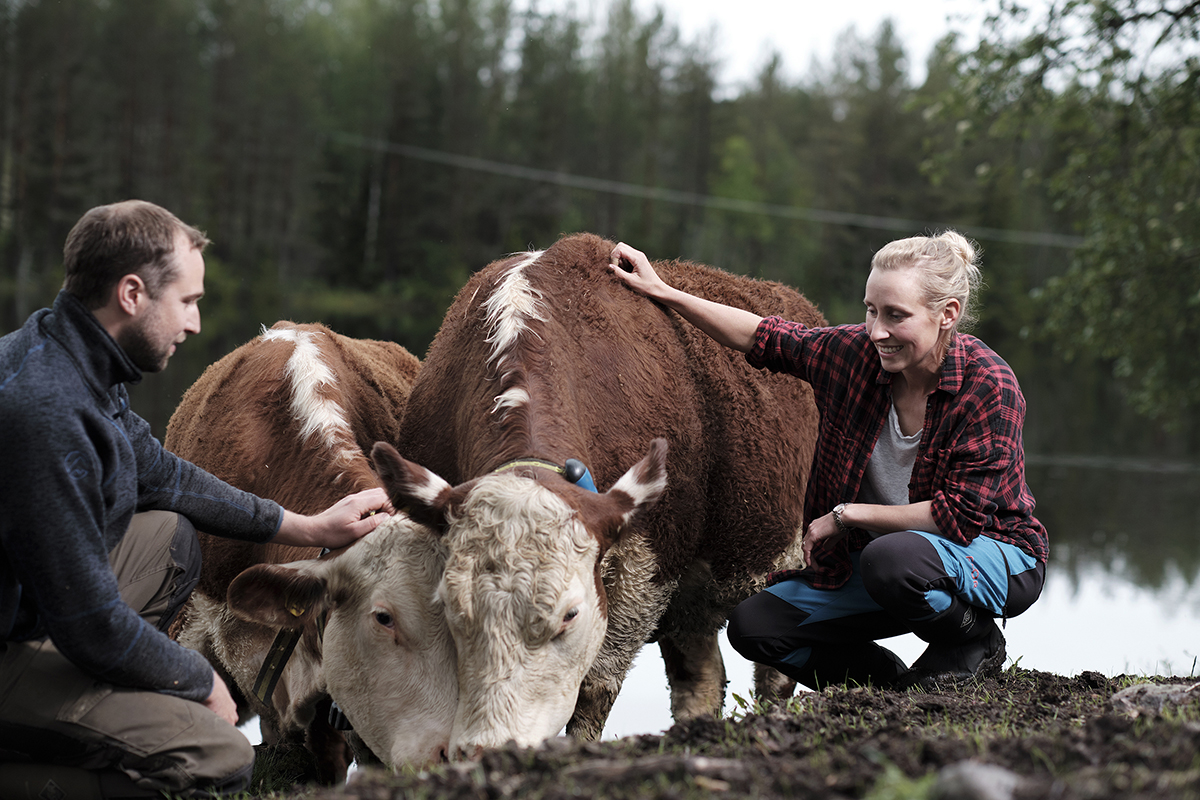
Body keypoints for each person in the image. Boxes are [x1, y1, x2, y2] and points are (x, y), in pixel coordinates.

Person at [0, 201, 392, 798]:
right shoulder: (48, 413)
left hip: (33, 603)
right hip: (20, 638)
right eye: (187, 301)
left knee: (172, 539)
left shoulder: (70, 355)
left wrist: (307, 527)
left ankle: (81, 713)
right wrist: (195, 680)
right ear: (132, 294)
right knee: (218, 755)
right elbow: (88, 623)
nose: (196, 325)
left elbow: (162, 475)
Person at [607, 232, 1047, 693]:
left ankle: (971, 640)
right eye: (871, 310)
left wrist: (846, 516)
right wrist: (663, 291)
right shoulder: (855, 355)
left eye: (896, 315)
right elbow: (765, 337)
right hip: (888, 567)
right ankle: (888, 688)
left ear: (947, 315)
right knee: (756, 626)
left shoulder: (989, 384)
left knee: (892, 558)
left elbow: (955, 518)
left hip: (995, 554)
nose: (877, 331)